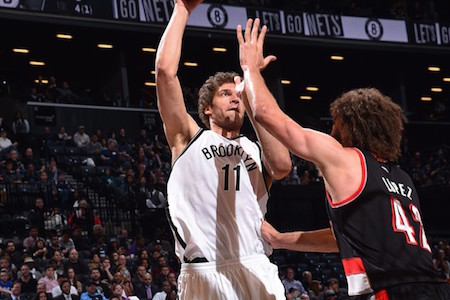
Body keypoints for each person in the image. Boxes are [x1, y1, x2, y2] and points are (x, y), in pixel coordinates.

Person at [237, 18, 450, 299]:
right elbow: (343, 239)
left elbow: (270, 117)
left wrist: (251, 69)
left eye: (337, 121)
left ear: (351, 125)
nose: (333, 129)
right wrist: (279, 239)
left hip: (389, 289)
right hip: (435, 287)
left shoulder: (344, 158)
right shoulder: (403, 179)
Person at [155, 1, 291, 299]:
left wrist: (252, 83)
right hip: (205, 270)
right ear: (207, 106)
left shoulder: (255, 147)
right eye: (225, 93)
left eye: (238, 94)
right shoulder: (188, 137)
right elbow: (165, 72)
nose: (234, 98)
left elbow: (282, 166)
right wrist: (182, 9)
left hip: (255, 263)